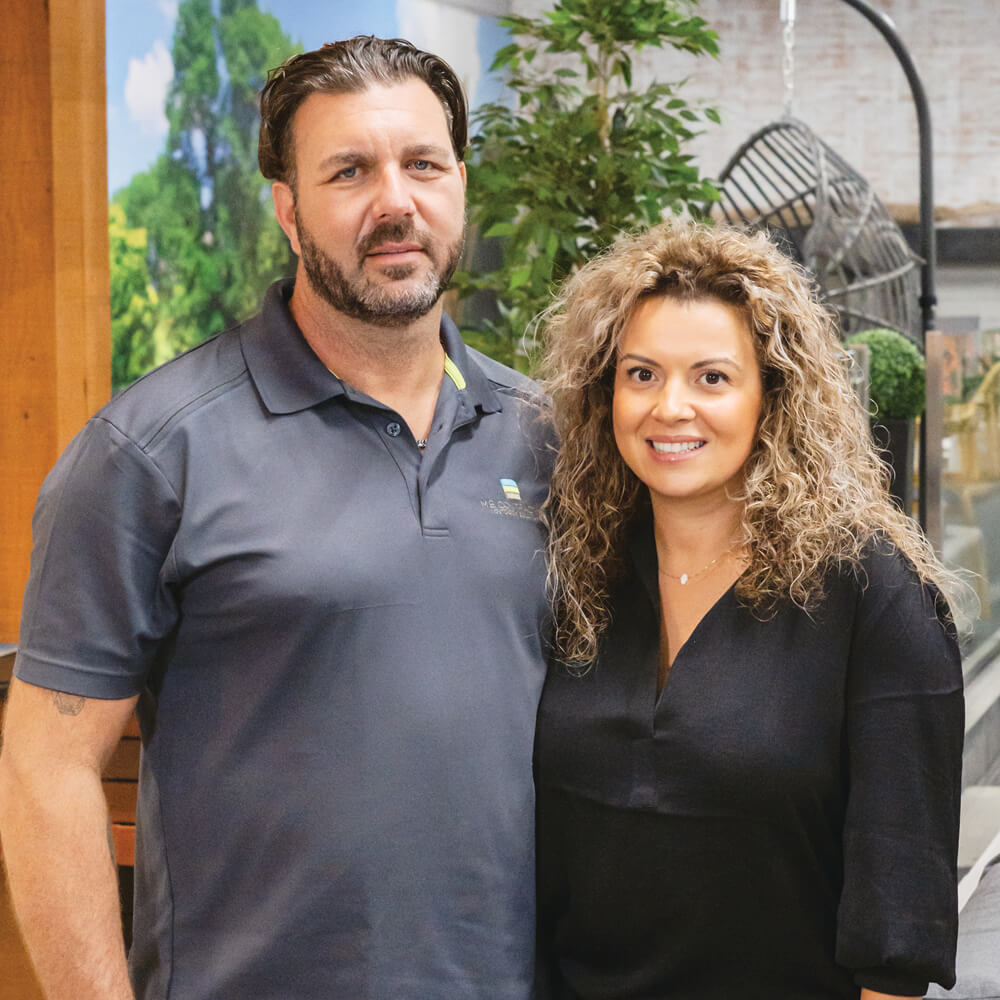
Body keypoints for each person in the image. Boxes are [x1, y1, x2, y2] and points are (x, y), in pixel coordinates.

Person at [0, 36, 552, 1000]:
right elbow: (44, 771)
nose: (396, 201)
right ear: (287, 209)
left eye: (423, 164)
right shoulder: (149, 451)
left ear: (460, 183)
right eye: (350, 171)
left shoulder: (549, 436)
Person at [534, 220, 966, 1000]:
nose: (670, 407)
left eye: (711, 378)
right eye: (641, 374)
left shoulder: (871, 593)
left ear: (774, 393)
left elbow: (897, 930)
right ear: (605, 391)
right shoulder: (577, 570)